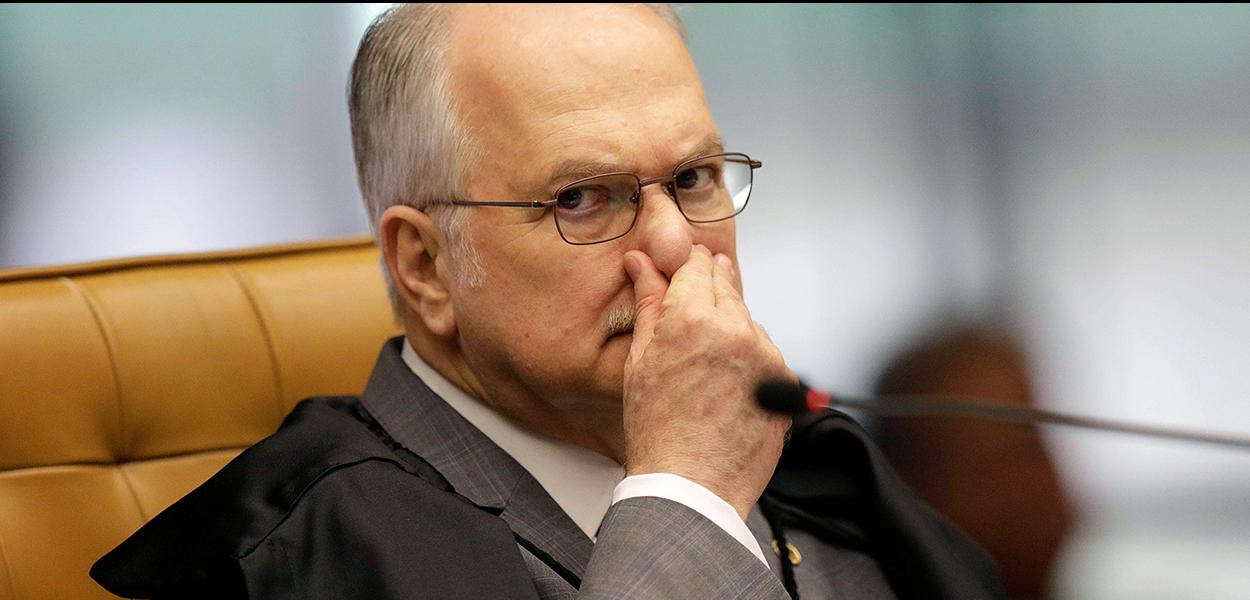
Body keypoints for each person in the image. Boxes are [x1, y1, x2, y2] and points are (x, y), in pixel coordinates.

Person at [92, 5, 1003, 599]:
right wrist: (686, 497)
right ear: (425, 267)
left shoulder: (807, 463)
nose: (679, 244)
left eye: (692, 177)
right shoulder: (312, 552)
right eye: (581, 199)